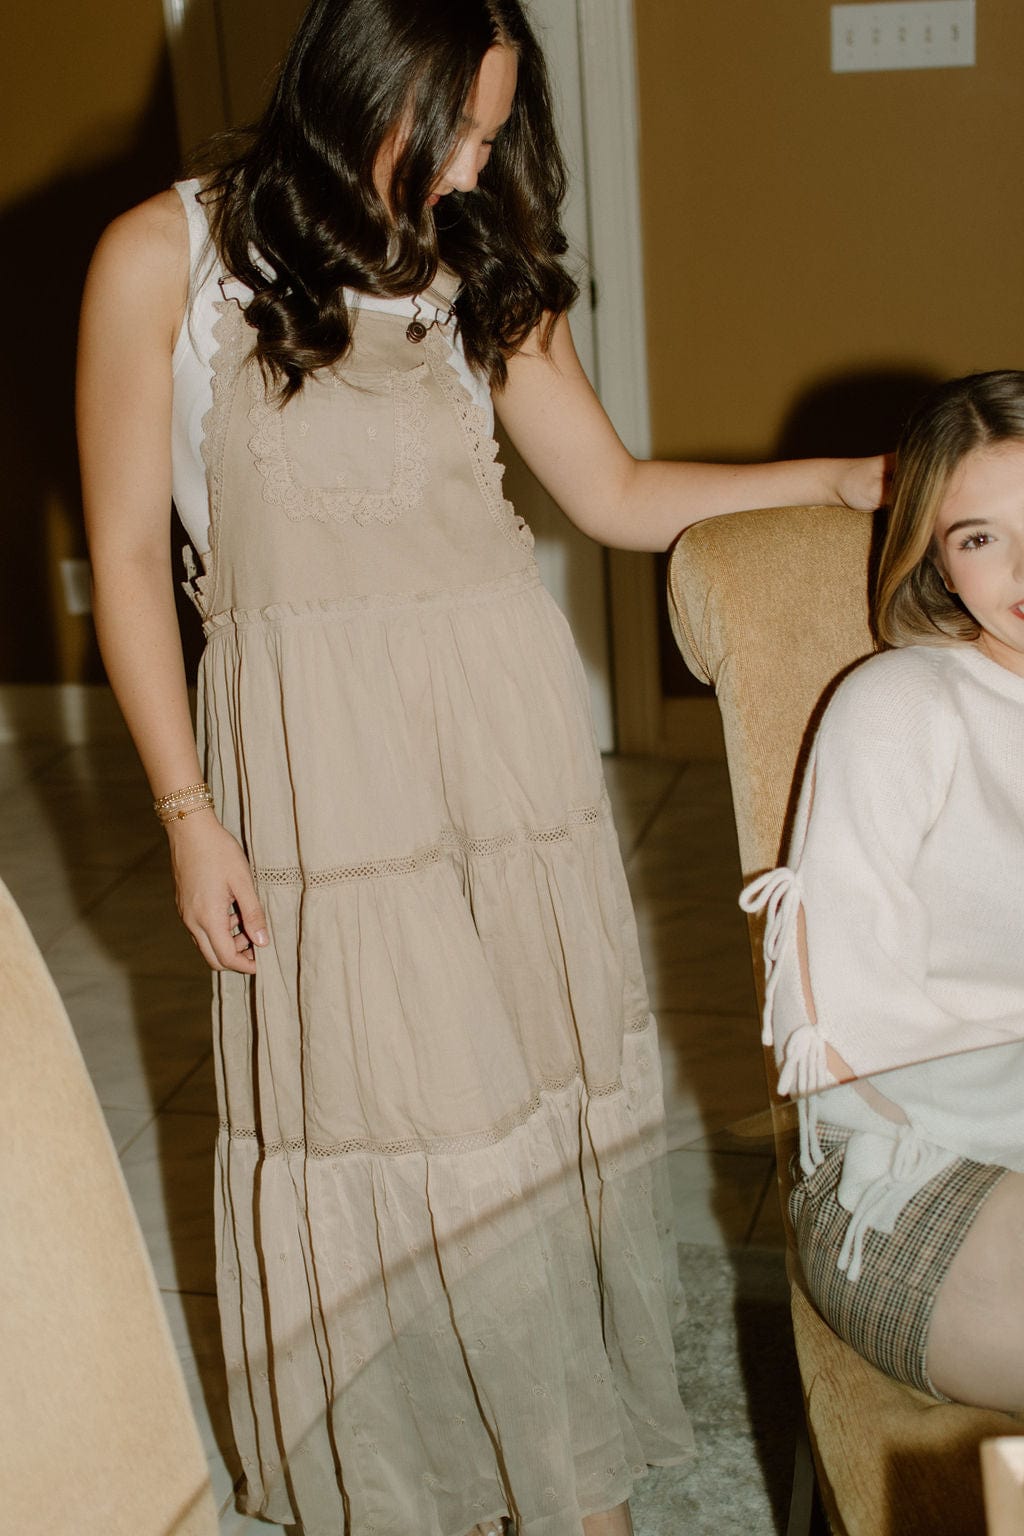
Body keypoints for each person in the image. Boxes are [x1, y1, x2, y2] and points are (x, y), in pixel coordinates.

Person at [77, 2, 883, 1531]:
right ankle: (428, 1482)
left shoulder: (474, 254)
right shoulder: (162, 257)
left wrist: (842, 477)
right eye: (446, 126)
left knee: (520, 1126)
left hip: (503, 752)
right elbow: (124, 560)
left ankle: (570, 1487)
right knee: (392, 1123)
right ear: (353, 82)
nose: (466, 166)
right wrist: (186, 813)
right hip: (316, 770)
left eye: (494, 134)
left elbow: (618, 493)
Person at [742, 370, 1024, 1414]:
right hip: (909, 1170)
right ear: (939, 563)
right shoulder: (903, 706)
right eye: (980, 537)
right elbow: (850, 1031)